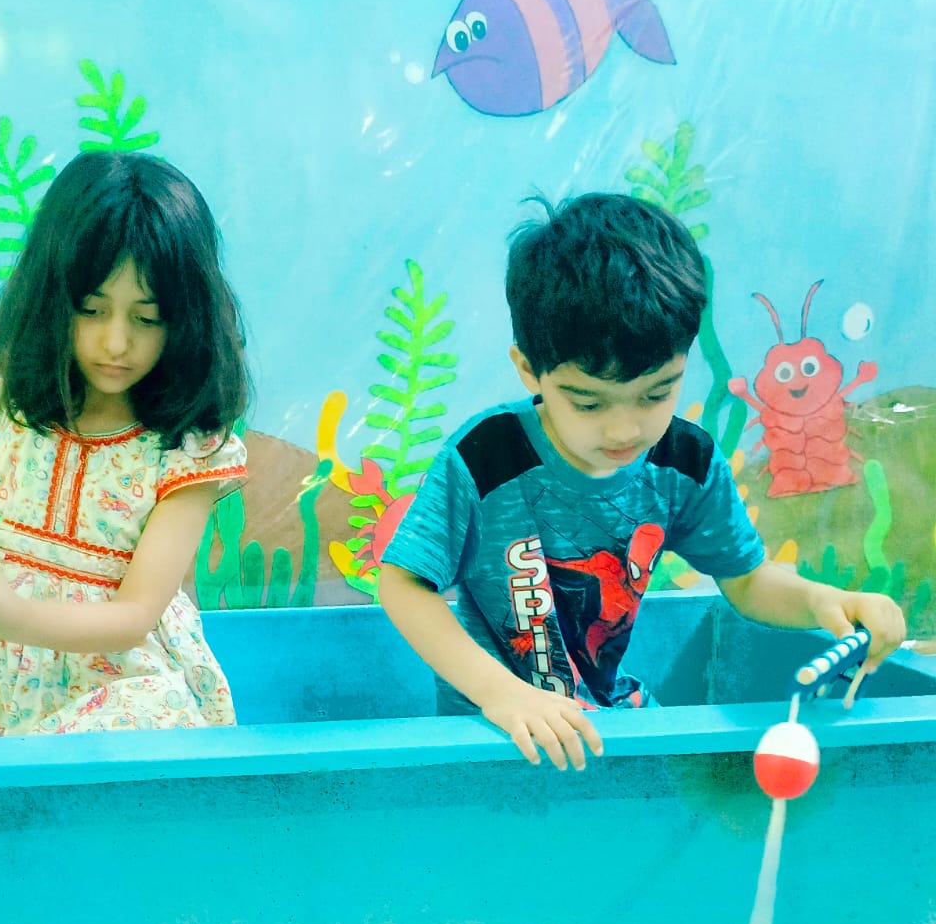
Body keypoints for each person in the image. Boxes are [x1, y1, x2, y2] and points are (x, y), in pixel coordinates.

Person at [378, 193, 906, 770]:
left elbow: (750, 582)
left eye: (657, 393)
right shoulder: (486, 456)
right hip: (499, 736)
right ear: (529, 369)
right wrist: (501, 694)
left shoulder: (686, 461)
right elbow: (404, 585)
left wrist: (830, 603)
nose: (625, 429)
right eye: (589, 402)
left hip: (612, 722)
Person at [0, 151, 250, 735]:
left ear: (188, 320)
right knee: (9, 786)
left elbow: (135, 616)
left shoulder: (189, 447)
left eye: (148, 318)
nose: (117, 342)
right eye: (92, 310)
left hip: (128, 694)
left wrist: (9, 613)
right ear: (52, 298)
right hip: (4, 698)